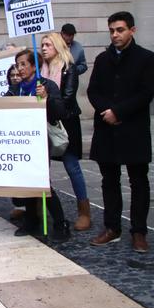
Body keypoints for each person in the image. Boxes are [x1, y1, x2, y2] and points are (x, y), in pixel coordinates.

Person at [87, 11, 154, 253]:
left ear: (132, 30)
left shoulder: (147, 58)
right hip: (107, 130)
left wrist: (118, 112)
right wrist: (105, 111)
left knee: (138, 181)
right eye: (112, 30)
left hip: (133, 129)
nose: (115, 35)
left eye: (120, 30)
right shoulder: (102, 59)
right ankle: (112, 227)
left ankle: (139, 231)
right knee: (109, 181)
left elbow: (145, 93)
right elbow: (93, 90)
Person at [7, 49, 70, 241]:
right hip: (21, 140)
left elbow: (60, 112)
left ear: (34, 66)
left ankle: (61, 223)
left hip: (41, 140)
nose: (20, 69)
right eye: (18, 65)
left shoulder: (46, 85)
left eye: (24, 64)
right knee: (26, 182)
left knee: (43, 183)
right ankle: (31, 220)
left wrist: (47, 98)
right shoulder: (17, 87)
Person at [40, 32, 91, 231]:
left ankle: (84, 211)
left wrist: (48, 96)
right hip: (44, 121)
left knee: (72, 167)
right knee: (42, 169)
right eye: (43, 44)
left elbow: (67, 98)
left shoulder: (68, 69)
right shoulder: (40, 69)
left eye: (48, 45)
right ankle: (37, 206)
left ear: (58, 46)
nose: (44, 48)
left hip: (65, 123)